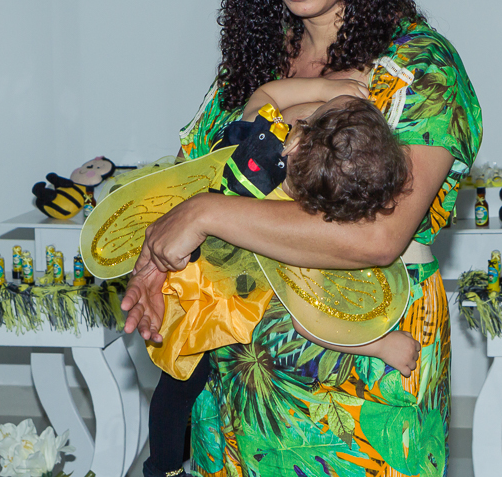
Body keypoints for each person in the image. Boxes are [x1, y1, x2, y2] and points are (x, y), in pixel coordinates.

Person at [123, 0, 482, 477]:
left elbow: (377, 236)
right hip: (234, 392)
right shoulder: (253, 68)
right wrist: (156, 262)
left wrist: (208, 215)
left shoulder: (420, 68)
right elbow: (198, 181)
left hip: (360, 392)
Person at [144, 77, 420, 477]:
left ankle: (162, 467)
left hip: (196, 287)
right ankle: (163, 468)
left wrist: (325, 88)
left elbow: (265, 96)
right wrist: (379, 345)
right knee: (180, 384)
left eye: (306, 119)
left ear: (296, 137)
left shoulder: (258, 141)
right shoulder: (307, 210)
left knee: (176, 386)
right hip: (204, 293)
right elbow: (311, 317)